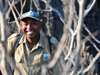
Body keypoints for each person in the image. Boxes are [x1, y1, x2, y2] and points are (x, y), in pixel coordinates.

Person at [7, 10, 62, 75]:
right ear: (21, 25)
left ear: (40, 25)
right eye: (26, 24)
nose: (29, 27)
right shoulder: (14, 41)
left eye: (33, 23)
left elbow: (59, 72)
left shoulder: (51, 44)